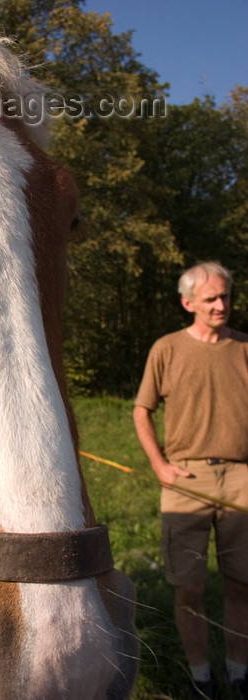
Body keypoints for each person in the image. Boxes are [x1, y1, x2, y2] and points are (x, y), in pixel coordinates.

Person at [134, 261, 248, 700]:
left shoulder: (243, 348)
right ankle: (201, 677)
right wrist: (160, 465)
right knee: (190, 587)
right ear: (188, 304)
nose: (222, 305)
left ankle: (239, 673)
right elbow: (142, 409)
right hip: (186, 479)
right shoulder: (166, 348)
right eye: (211, 299)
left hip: (241, 476)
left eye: (226, 297)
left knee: (241, 584)